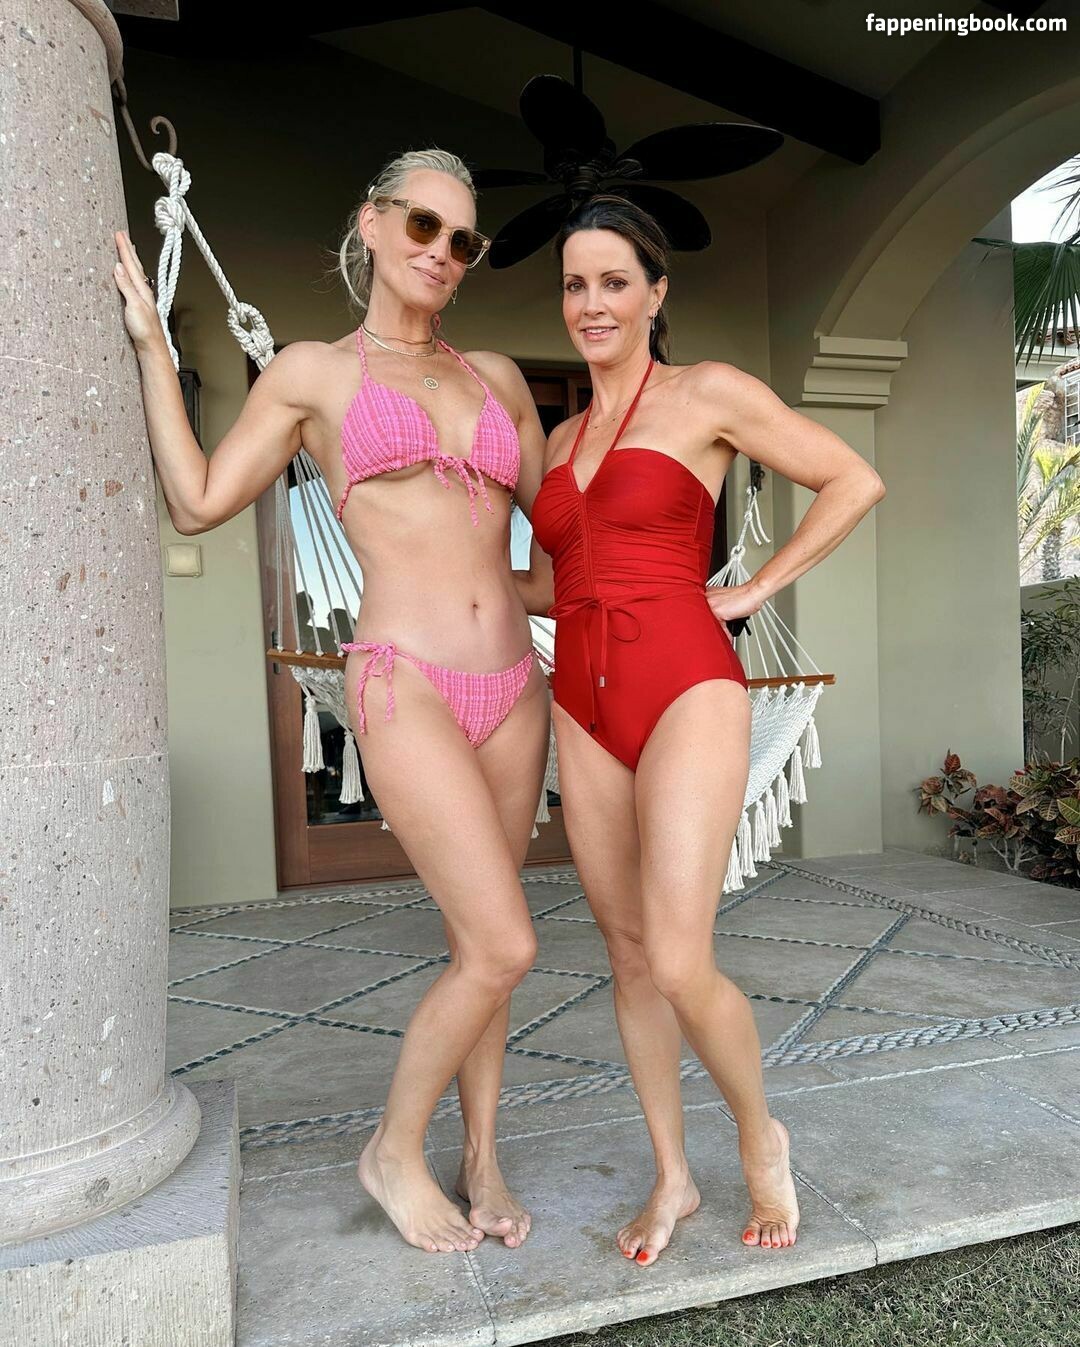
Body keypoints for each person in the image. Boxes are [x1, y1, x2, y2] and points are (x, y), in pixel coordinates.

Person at [114, 148, 554, 1255]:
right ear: (372, 223)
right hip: (407, 680)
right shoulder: (313, 374)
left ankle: (483, 1155)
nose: (442, 252)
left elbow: (560, 555)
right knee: (505, 943)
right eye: (423, 225)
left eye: (464, 241)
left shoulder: (498, 378)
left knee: (482, 940)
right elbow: (197, 500)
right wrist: (156, 352)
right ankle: (392, 1149)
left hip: (517, 686)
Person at [514, 194, 885, 1265]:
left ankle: (758, 1132)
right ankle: (672, 1176)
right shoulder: (561, 437)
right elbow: (548, 584)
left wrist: (753, 587)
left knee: (679, 956)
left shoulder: (706, 392)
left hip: (685, 682)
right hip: (582, 701)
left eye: (613, 282)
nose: (592, 303)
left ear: (654, 293)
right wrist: (434, 581)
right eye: (575, 284)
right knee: (628, 954)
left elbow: (853, 479)